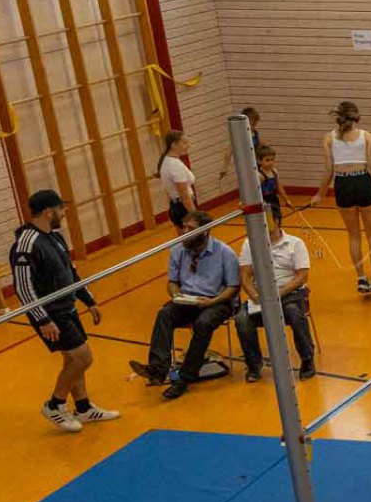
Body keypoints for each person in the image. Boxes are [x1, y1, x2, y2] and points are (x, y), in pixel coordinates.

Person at [11, 190, 114, 432]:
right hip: (50, 313)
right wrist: (43, 319)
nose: (65, 212)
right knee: (83, 358)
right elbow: (23, 288)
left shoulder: (55, 237)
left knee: (72, 360)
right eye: (61, 208)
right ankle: (55, 405)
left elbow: (71, 272)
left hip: (67, 307)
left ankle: (83, 407)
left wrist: (89, 300)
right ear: (48, 212)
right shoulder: (26, 244)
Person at [134, 210, 239, 401]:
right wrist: (176, 295)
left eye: (190, 229)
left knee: (203, 323)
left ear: (205, 231)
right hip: (188, 300)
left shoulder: (225, 253)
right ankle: (157, 370)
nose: (184, 232)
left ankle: (185, 378)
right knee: (165, 314)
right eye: (184, 227)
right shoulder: (177, 250)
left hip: (217, 301)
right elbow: (172, 282)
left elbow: (233, 288)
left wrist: (211, 302)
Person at [308, 101, 371, 295]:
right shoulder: (366, 136)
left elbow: (328, 171)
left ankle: (361, 279)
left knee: (353, 235)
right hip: (363, 182)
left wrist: (319, 194)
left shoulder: (329, 138)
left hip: (343, 185)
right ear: (356, 116)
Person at [234, 206, 315, 383]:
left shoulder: (295, 244)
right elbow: (245, 275)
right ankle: (254, 364)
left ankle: (307, 358)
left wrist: (279, 293)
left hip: (290, 292)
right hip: (261, 295)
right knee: (242, 319)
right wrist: (254, 295)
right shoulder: (249, 244)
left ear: (276, 221)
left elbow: (302, 277)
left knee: (294, 313)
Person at [157, 130, 199, 230]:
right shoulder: (174, 165)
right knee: (195, 238)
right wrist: (195, 216)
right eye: (184, 143)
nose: (188, 145)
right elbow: (183, 194)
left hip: (176, 206)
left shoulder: (167, 160)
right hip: (183, 207)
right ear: (173, 145)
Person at [256, 145, 289, 213]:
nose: (271, 162)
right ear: (259, 161)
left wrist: (287, 200)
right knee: (269, 218)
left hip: (274, 199)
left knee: (277, 217)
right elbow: (255, 191)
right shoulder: (259, 175)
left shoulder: (274, 172)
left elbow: (279, 187)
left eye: (272, 160)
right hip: (264, 201)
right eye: (267, 160)